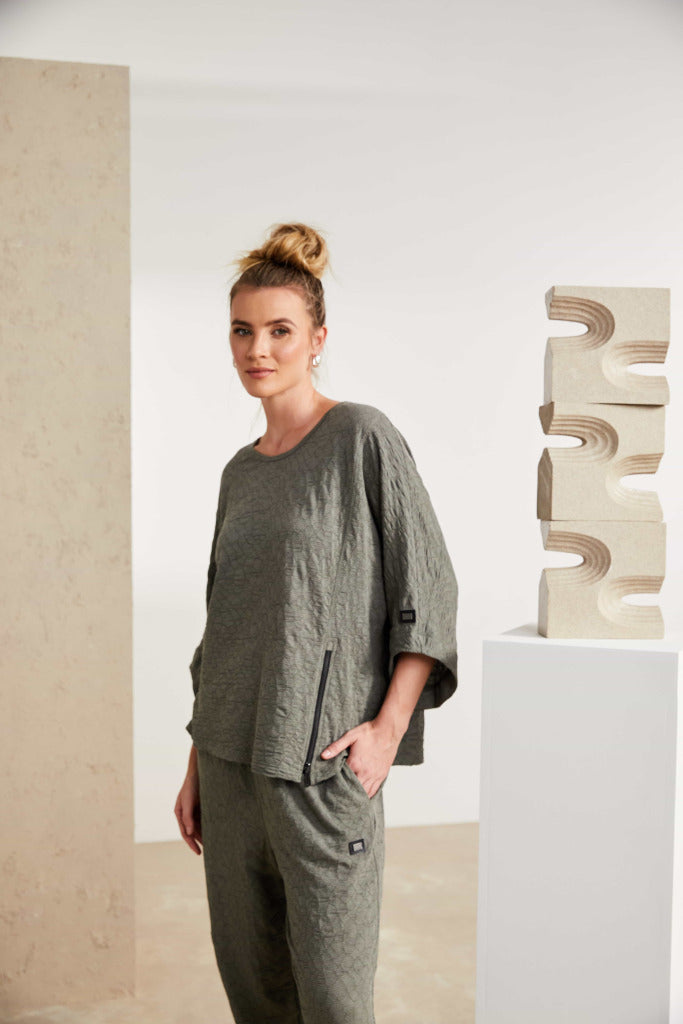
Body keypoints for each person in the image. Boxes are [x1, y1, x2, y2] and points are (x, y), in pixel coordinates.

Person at [174, 222, 459, 1024]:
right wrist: (197, 761)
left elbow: (427, 587)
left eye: (279, 330)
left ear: (317, 339)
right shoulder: (239, 472)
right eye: (242, 330)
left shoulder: (360, 437)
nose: (257, 349)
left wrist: (386, 731)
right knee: (256, 994)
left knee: (333, 1001)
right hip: (228, 764)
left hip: (320, 764)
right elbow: (224, 625)